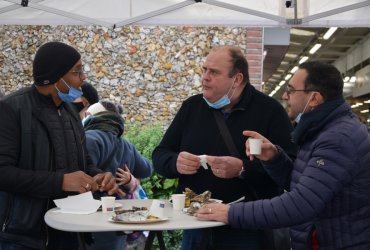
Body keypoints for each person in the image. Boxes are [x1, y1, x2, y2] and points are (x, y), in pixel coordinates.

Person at [196, 61, 370, 249]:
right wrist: (274, 158)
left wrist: (230, 213)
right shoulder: (320, 130)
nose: (285, 95)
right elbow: (305, 185)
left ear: (314, 98)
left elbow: (301, 204)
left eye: (291, 90)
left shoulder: (338, 139)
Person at [152, 45, 296, 250]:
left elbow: (291, 170)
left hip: (246, 229)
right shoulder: (192, 107)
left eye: (214, 72)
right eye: (204, 70)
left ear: (237, 79)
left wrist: (243, 169)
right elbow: (159, 155)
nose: (205, 77)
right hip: (195, 223)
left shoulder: (270, 111)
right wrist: (174, 162)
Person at [0, 41, 121, 250]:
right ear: (56, 77)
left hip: (70, 232)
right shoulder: (12, 109)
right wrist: (60, 182)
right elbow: (3, 173)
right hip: (23, 237)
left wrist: (99, 176)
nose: (83, 78)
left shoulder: (70, 112)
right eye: (77, 71)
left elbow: (84, 164)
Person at [83, 100, 153, 250]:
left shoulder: (89, 138)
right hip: (118, 222)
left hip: (91, 222)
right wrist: (132, 179)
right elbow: (147, 169)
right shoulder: (126, 145)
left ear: (91, 116)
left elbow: (81, 172)